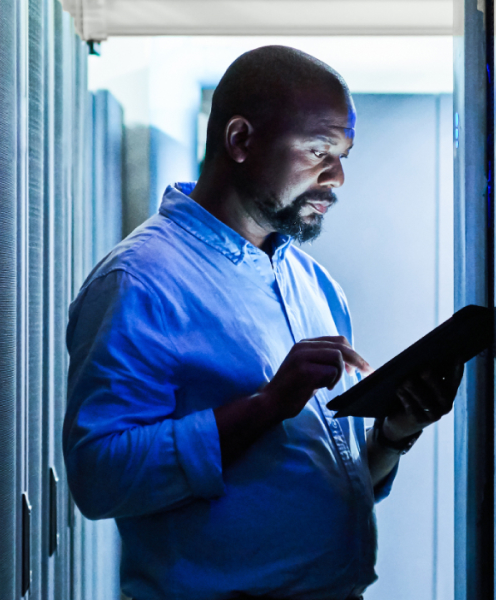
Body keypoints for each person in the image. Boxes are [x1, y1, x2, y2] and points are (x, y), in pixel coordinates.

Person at [62, 45, 460, 600]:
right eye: (319, 150)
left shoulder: (315, 285)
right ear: (241, 140)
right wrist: (267, 405)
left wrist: (395, 433)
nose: (338, 177)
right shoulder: (140, 281)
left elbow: (310, 487)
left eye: (343, 155)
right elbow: (98, 479)